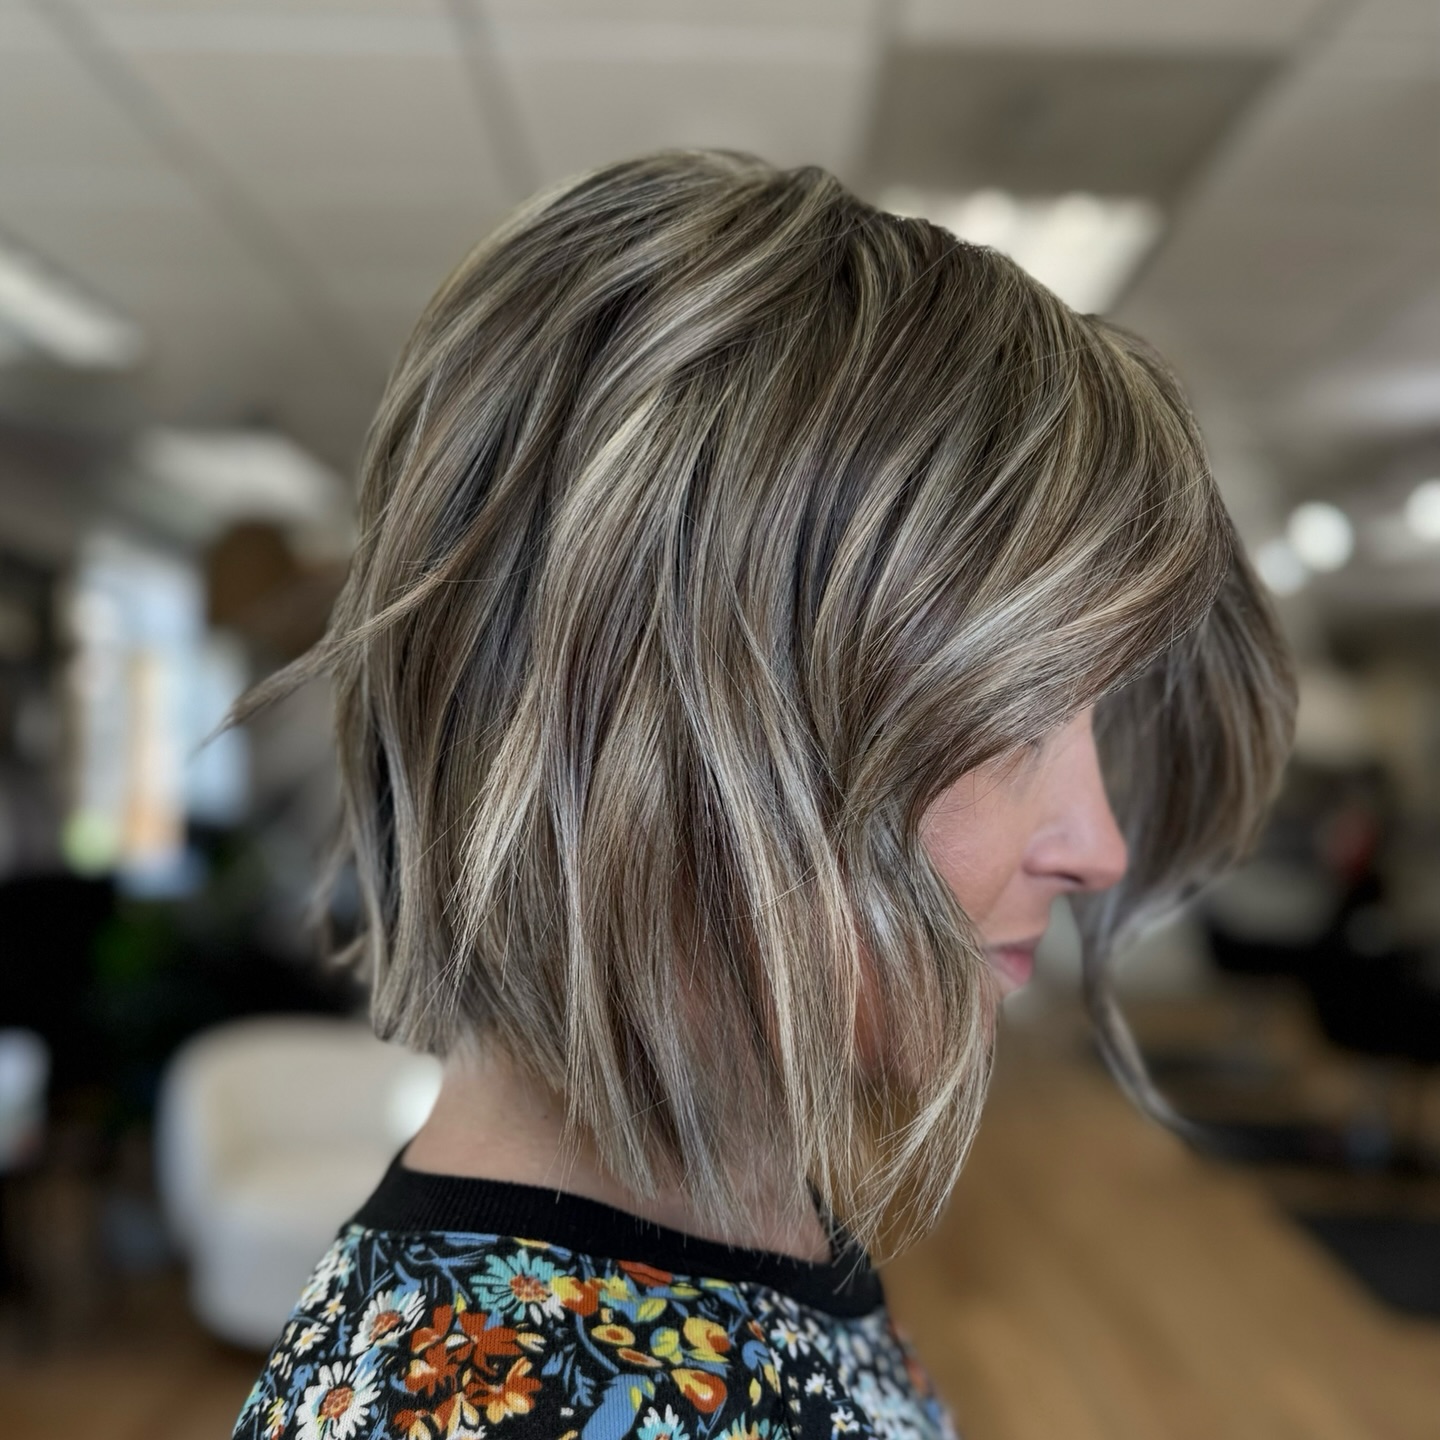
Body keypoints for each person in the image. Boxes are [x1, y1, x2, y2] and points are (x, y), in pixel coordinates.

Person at [228, 149, 1296, 1440]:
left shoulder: (722, 1225)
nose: (1099, 845)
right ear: (674, 729)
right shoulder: (509, 1411)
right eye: (1011, 718)